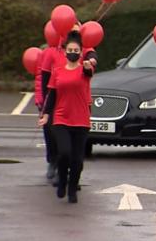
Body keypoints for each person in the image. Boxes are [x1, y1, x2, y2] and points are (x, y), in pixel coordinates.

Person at [38, 31, 94, 204]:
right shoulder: (58, 71)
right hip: (61, 118)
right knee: (64, 153)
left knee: (77, 160)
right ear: (64, 51)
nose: (73, 52)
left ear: (81, 52)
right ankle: (62, 180)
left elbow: (89, 72)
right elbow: (52, 95)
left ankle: (72, 188)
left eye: (76, 50)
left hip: (81, 119)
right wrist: (46, 114)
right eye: (70, 49)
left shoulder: (85, 70)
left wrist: (87, 65)